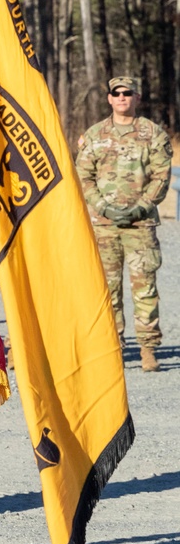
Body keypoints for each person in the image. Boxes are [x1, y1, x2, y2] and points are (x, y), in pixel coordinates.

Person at [76, 75, 173, 372]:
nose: (121, 97)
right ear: (108, 98)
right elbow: (84, 175)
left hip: (140, 226)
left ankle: (148, 349)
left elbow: (162, 176)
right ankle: (114, 347)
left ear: (137, 97)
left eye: (127, 93)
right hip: (104, 226)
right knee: (107, 289)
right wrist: (102, 205)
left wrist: (141, 206)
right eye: (116, 93)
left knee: (145, 288)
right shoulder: (94, 135)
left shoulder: (153, 134)